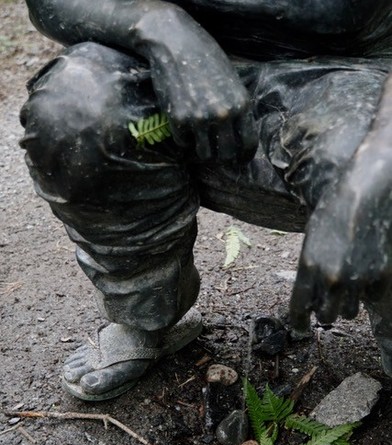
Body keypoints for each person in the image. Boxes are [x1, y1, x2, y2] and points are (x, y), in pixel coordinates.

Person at [20, 0, 392, 401]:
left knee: (373, 179)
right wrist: (159, 27)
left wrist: (372, 168)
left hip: (361, 79)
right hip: (176, 72)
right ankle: (149, 316)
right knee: (77, 112)